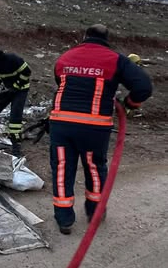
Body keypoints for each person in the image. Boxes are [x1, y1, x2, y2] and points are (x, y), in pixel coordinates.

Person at [49, 24, 152, 235]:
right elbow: (144, 87)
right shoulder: (115, 59)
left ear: (84, 37)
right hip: (94, 128)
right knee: (94, 168)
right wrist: (129, 104)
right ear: (106, 39)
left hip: (62, 124)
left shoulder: (66, 57)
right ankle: (95, 211)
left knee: (62, 169)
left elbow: (60, 82)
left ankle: (64, 219)